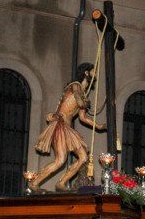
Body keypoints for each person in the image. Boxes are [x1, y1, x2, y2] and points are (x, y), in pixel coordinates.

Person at [30, 63, 107, 192]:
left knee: (83, 157)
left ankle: (61, 183)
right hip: (59, 124)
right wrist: (84, 103)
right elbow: (78, 99)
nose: (95, 75)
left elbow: (82, 118)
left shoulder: (83, 94)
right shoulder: (75, 85)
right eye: (93, 72)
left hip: (67, 128)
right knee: (60, 160)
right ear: (86, 73)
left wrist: (98, 126)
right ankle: (34, 183)